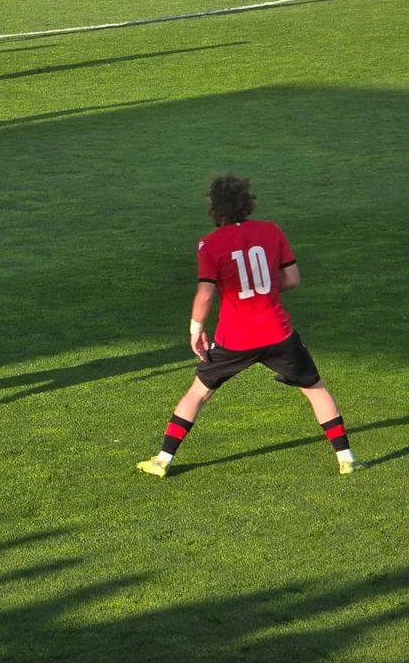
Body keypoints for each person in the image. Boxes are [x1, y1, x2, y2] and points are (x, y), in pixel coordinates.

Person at [137, 175, 362, 478]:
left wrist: (195, 330)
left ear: (215, 208)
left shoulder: (210, 244)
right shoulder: (271, 231)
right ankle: (346, 459)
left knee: (198, 393)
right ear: (248, 202)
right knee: (315, 389)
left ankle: (163, 460)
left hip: (235, 338)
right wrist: (263, 288)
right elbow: (292, 279)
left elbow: (205, 294)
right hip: (278, 332)